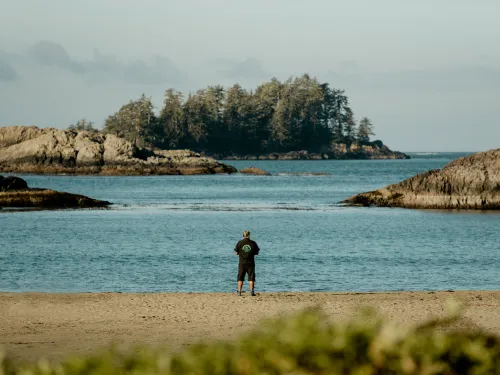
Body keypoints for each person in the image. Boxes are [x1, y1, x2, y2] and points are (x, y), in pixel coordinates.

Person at [234, 230, 260, 296]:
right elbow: (257, 252)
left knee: (240, 277)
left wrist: (241, 253)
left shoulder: (240, 243)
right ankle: (252, 291)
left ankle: (239, 292)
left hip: (242, 263)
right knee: (251, 278)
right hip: (251, 263)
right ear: (249, 235)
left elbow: (236, 252)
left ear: (243, 235)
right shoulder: (253, 243)